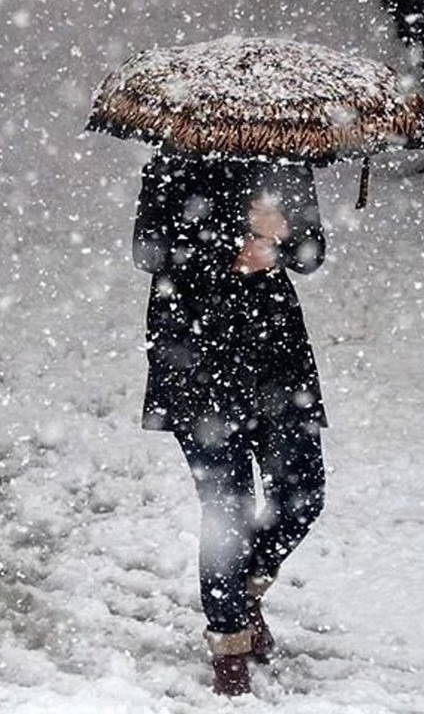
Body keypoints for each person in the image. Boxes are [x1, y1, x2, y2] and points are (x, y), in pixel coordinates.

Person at [131, 144, 328, 696]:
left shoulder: (286, 159)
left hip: (276, 358)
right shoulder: (174, 162)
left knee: (303, 492)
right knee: (228, 509)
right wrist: (231, 242)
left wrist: (282, 237)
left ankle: (240, 593)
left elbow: (312, 254)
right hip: (195, 356)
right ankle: (229, 649)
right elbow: (149, 252)